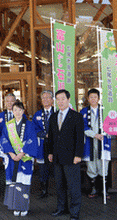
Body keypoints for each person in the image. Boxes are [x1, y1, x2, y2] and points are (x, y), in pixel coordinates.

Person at [48, 89, 84, 220]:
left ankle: (75, 212)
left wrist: (78, 155)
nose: (60, 102)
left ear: (68, 100)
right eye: (58, 99)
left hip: (72, 157)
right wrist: (50, 152)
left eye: (63, 99)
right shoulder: (53, 116)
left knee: (73, 186)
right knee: (60, 185)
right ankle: (61, 208)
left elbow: (80, 138)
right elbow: (51, 137)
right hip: (57, 157)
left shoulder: (76, 116)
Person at [0, 101, 37, 217]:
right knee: (14, 181)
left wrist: (21, 154)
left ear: (23, 111)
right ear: (12, 111)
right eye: (15, 110)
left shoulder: (30, 124)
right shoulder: (8, 125)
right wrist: (11, 153)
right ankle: (16, 205)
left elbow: (32, 140)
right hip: (12, 158)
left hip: (24, 157)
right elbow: (4, 140)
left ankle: (24, 206)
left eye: (20, 110)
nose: (17, 112)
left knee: (24, 182)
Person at [80, 88, 111, 199]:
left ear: (98, 98)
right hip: (90, 141)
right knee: (91, 166)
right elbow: (82, 126)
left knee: (104, 164)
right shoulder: (83, 111)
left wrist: (103, 134)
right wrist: (94, 135)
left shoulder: (105, 110)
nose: (93, 99)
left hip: (103, 141)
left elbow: (111, 125)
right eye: (91, 97)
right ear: (88, 99)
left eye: (95, 97)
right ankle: (93, 188)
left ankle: (104, 190)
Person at [32, 90, 54, 198]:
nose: (45, 100)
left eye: (48, 97)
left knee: (57, 166)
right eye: (43, 98)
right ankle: (44, 190)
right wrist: (44, 135)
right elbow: (34, 129)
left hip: (55, 144)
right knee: (42, 167)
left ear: (52, 100)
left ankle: (59, 189)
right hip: (42, 144)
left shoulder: (57, 113)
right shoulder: (37, 114)